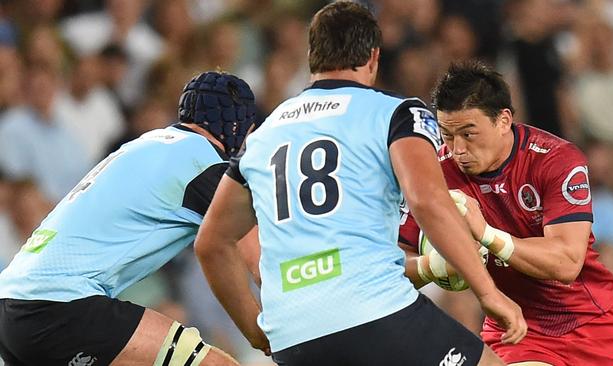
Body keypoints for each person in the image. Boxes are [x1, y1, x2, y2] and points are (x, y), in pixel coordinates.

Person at [194, 2, 526, 366]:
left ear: (311, 56)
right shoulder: (396, 114)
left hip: (293, 337)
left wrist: (257, 332)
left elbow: (211, 243)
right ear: (373, 57)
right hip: (372, 312)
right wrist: (488, 292)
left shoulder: (263, 137)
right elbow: (427, 200)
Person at [0, 71, 259, 366]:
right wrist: (262, 331)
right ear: (240, 129)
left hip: (10, 308)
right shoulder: (204, 164)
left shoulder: (145, 144)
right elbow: (257, 259)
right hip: (60, 304)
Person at [400, 61, 613, 366]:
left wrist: (487, 235)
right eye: (447, 135)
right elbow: (392, 262)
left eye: (468, 133)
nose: (458, 149)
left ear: (503, 120)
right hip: (519, 330)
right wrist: (430, 266)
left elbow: (568, 262)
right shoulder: (434, 173)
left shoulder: (556, 159)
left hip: (593, 321)